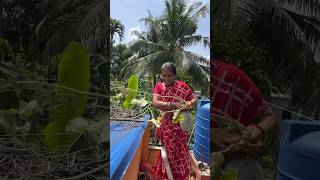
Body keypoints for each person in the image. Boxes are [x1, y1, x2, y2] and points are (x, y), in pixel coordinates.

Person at [211, 59, 278, 180]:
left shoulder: (231, 77)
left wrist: (259, 130)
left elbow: (270, 118)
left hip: (230, 166)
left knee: (246, 167)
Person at [152, 62, 197, 180]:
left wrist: (190, 103)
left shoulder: (182, 86)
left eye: (169, 76)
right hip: (167, 127)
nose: (166, 78)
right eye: (164, 75)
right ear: (161, 75)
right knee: (169, 154)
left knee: (181, 152)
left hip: (180, 127)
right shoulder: (159, 87)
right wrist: (172, 104)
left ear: (174, 76)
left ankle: (181, 176)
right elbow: (155, 102)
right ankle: (166, 176)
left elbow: (194, 98)